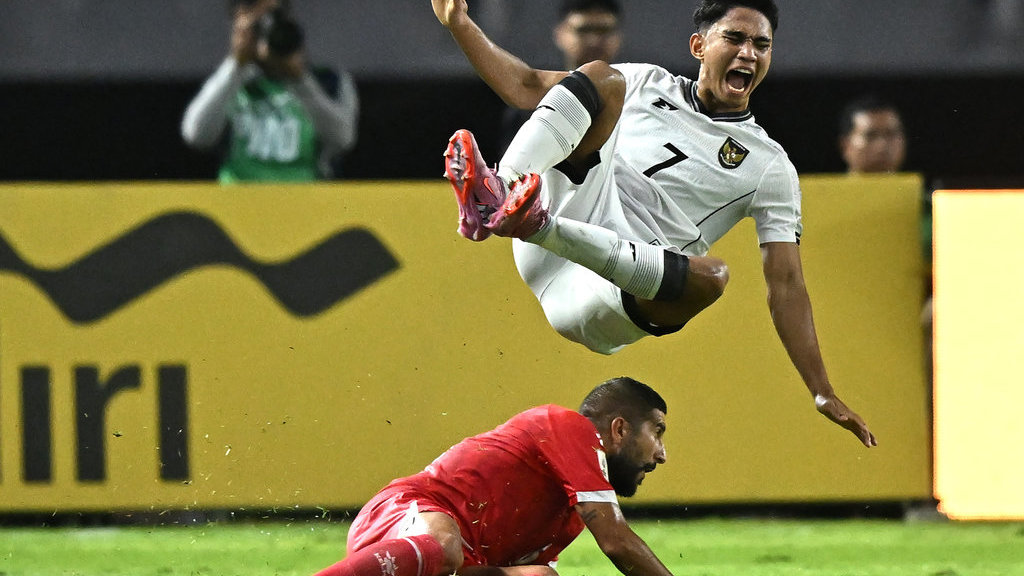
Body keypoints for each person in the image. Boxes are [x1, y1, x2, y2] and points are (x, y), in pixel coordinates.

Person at [433, 0, 877, 447]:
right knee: (600, 77)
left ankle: (524, 216)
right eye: (735, 38)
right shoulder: (645, 81)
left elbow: (786, 283)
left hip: (609, 293)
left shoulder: (769, 165)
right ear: (699, 45)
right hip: (561, 220)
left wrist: (821, 390)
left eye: (762, 44)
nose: (749, 53)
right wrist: (460, 23)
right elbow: (529, 87)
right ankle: (496, 193)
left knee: (713, 276)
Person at [312, 376, 671, 576]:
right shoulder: (569, 427)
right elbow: (616, 541)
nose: (661, 453)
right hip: (399, 517)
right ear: (619, 429)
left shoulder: (568, 516)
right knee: (446, 546)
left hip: (438, 567)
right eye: (657, 432)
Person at [181, 0, 359, 183]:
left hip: (306, 203)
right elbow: (196, 135)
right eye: (258, 26)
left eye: (276, 17)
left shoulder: (328, 81)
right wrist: (236, 65)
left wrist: (299, 79)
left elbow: (343, 140)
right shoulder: (228, 83)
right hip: (237, 202)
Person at [499, 0, 624, 154]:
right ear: (561, 34)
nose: (594, 40)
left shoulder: (639, 97)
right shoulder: (533, 103)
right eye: (584, 30)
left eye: (603, 30)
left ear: (618, 37)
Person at [837, 94, 906, 174]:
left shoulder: (919, 186)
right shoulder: (823, 186)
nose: (881, 146)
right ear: (845, 146)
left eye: (890, 134)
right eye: (870, 136)